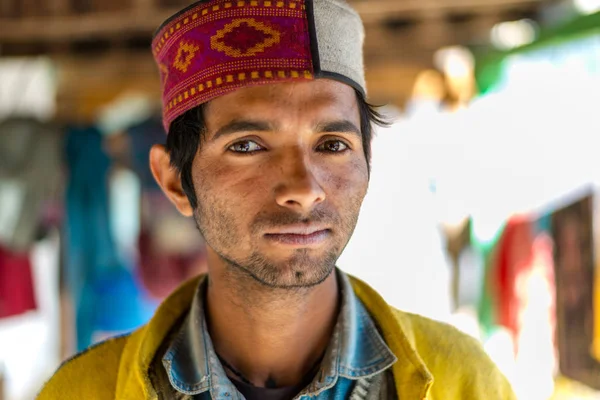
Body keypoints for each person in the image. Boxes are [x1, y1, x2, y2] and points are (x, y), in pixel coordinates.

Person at [38, 0, 516, 399]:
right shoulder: (82, 391)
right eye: (247, 146)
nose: (303, 187)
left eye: (332, 144)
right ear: (175, 182)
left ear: (369, 164)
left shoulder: (463, 381)